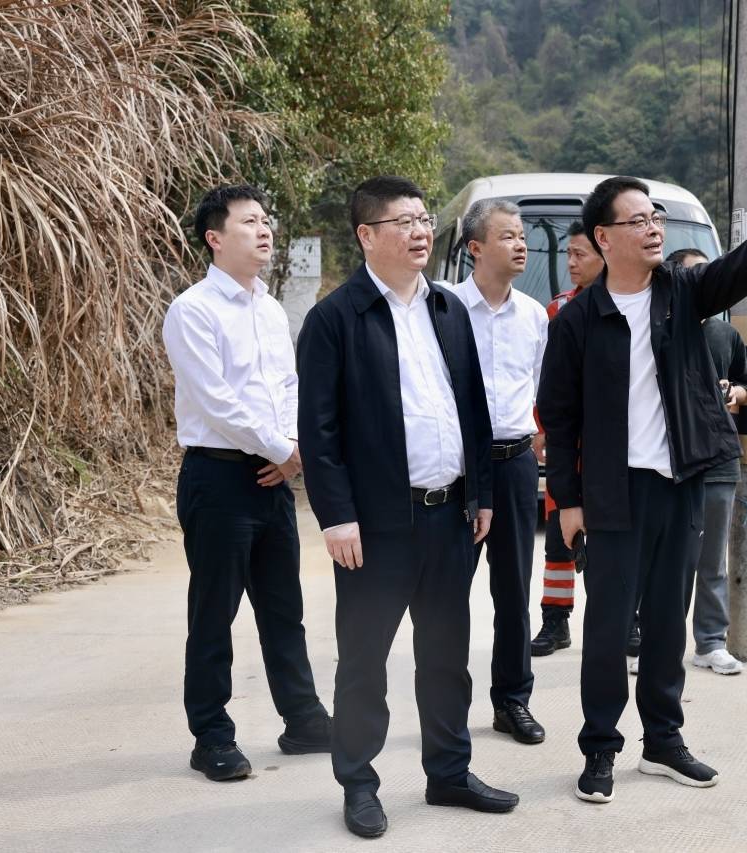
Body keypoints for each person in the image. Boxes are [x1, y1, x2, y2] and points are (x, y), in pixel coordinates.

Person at [538, 173, 747, 804]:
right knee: (608, 629)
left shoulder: (682, 294)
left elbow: (741, 268)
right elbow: (560, 415)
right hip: (612, 495)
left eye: (655, 217)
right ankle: (599, 748)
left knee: (666, 621)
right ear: (604, 238)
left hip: (680, 484)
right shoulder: (577, 320)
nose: (653, 228)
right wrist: (568, 501)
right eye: (637, 220)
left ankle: (663, 741)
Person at [297, 176, 519, 839]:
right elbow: (319, 431)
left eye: (424, 219)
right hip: (375, 526)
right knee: (365, 661)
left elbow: (472, 409)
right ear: (367, 235)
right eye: (405, 222)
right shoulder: (336, 319)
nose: (422, 231)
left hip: (450, 517)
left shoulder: (447, 308)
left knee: (447, 654)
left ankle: (449, 770)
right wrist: (337, 516)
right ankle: (358, 782)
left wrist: (480, 493)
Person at [162, 184, 331, 783]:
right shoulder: (192, 310)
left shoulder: (269, 308)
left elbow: (288, 387)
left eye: (266, 220)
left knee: (284, 609)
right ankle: (211, 736)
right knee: (214, 613)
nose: (265, 231)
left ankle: (304, 720)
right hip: (219, 478)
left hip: (272, 478)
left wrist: (290, 451)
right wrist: (285, 450)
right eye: (250, 221)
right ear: (215, 237)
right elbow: (217, 401)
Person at [452, 200, 548, 745]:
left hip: (514, 465)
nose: (521, 245)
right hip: (459, 468)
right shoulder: (444, 308)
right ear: (475, 248)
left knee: (513, 590)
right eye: (508, 236)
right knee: (448, 591)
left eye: (523, 236)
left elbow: (536, 387)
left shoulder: (533, 316)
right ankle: (447, 704)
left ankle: (512, 701)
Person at [668, 247, 747, 676]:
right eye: (696, 273)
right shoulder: (659, 328)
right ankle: (660, 643)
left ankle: (711, 642)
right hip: (671, 463)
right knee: (669, 560)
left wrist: (733, 392)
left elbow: (744, 385)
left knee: (712, 559)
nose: (707, 280)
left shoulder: (726, 334)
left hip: (719, 460)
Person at [530, 221, 604, 657]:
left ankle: (624, 621)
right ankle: (555, 621)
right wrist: (541, 426)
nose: (572, 263)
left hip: (614, 447)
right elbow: (543, 378)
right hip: (567, 445)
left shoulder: (630, 305)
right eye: (569, 253)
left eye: (580, 255)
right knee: (560, 536)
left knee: (614, 540)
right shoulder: (557, 310)